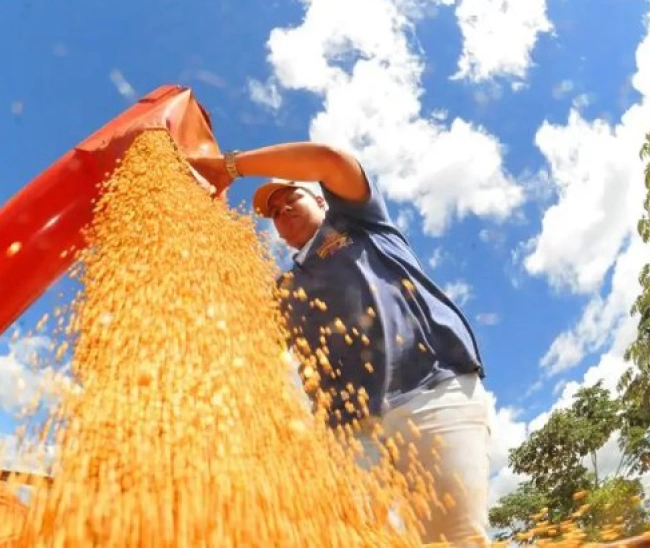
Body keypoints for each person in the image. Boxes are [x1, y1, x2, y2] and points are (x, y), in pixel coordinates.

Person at [189, 142, 492, 546]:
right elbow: (241, 344)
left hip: (429, 392)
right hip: (348, 433)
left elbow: (330, 162)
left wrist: (229, 167)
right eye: (274, 212)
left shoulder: (360, 223)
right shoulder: (284, 290)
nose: (282, 211)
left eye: (290, 198)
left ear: (319, 199)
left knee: (456, 539)